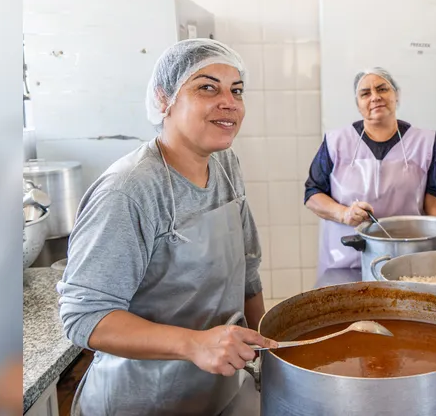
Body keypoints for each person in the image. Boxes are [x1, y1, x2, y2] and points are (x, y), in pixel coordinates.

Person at [57, 39, 276, 416]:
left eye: (236, 90)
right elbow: (84, 316)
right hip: (139, 401)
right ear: (164, 99)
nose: (229, 102)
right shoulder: (130, 190)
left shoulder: (225, 165)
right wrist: (194, 345)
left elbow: (247, 272)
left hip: (215, 392)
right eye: (207, 87)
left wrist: (271, 359)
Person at [304, 68, 436, 278]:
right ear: (358, 103)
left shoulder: (425, 142)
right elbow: (312, 194)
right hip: (345, 261)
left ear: (396, 95)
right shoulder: (335, 142)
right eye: (365, 93)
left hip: (409, 262)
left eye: (382, 89)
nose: (375, 97)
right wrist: (344, 214)